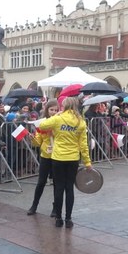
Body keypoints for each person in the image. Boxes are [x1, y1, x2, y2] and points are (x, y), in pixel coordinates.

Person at [39, 97, 92, 229]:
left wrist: (56, 115)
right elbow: (83, 144)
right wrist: (87, 162)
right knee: (69, 188)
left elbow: (42, 125)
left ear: (64, 106)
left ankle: (58, 218)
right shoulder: (81, 122)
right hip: (73, 158)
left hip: (58, 158)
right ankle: (68, 219)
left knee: (59, 188)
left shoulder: (58, 118)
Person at [27, 99, 59, 217]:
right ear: (47, 110)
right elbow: (37, 142)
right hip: (45, 155)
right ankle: (34, 205)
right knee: (41, 182)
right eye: (51, 110)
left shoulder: (59, 122)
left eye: (56, 110)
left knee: (57, 182)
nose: (54, 112)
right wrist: (32, 138)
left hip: (57, 156)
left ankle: (56, 207)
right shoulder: (42, 123)